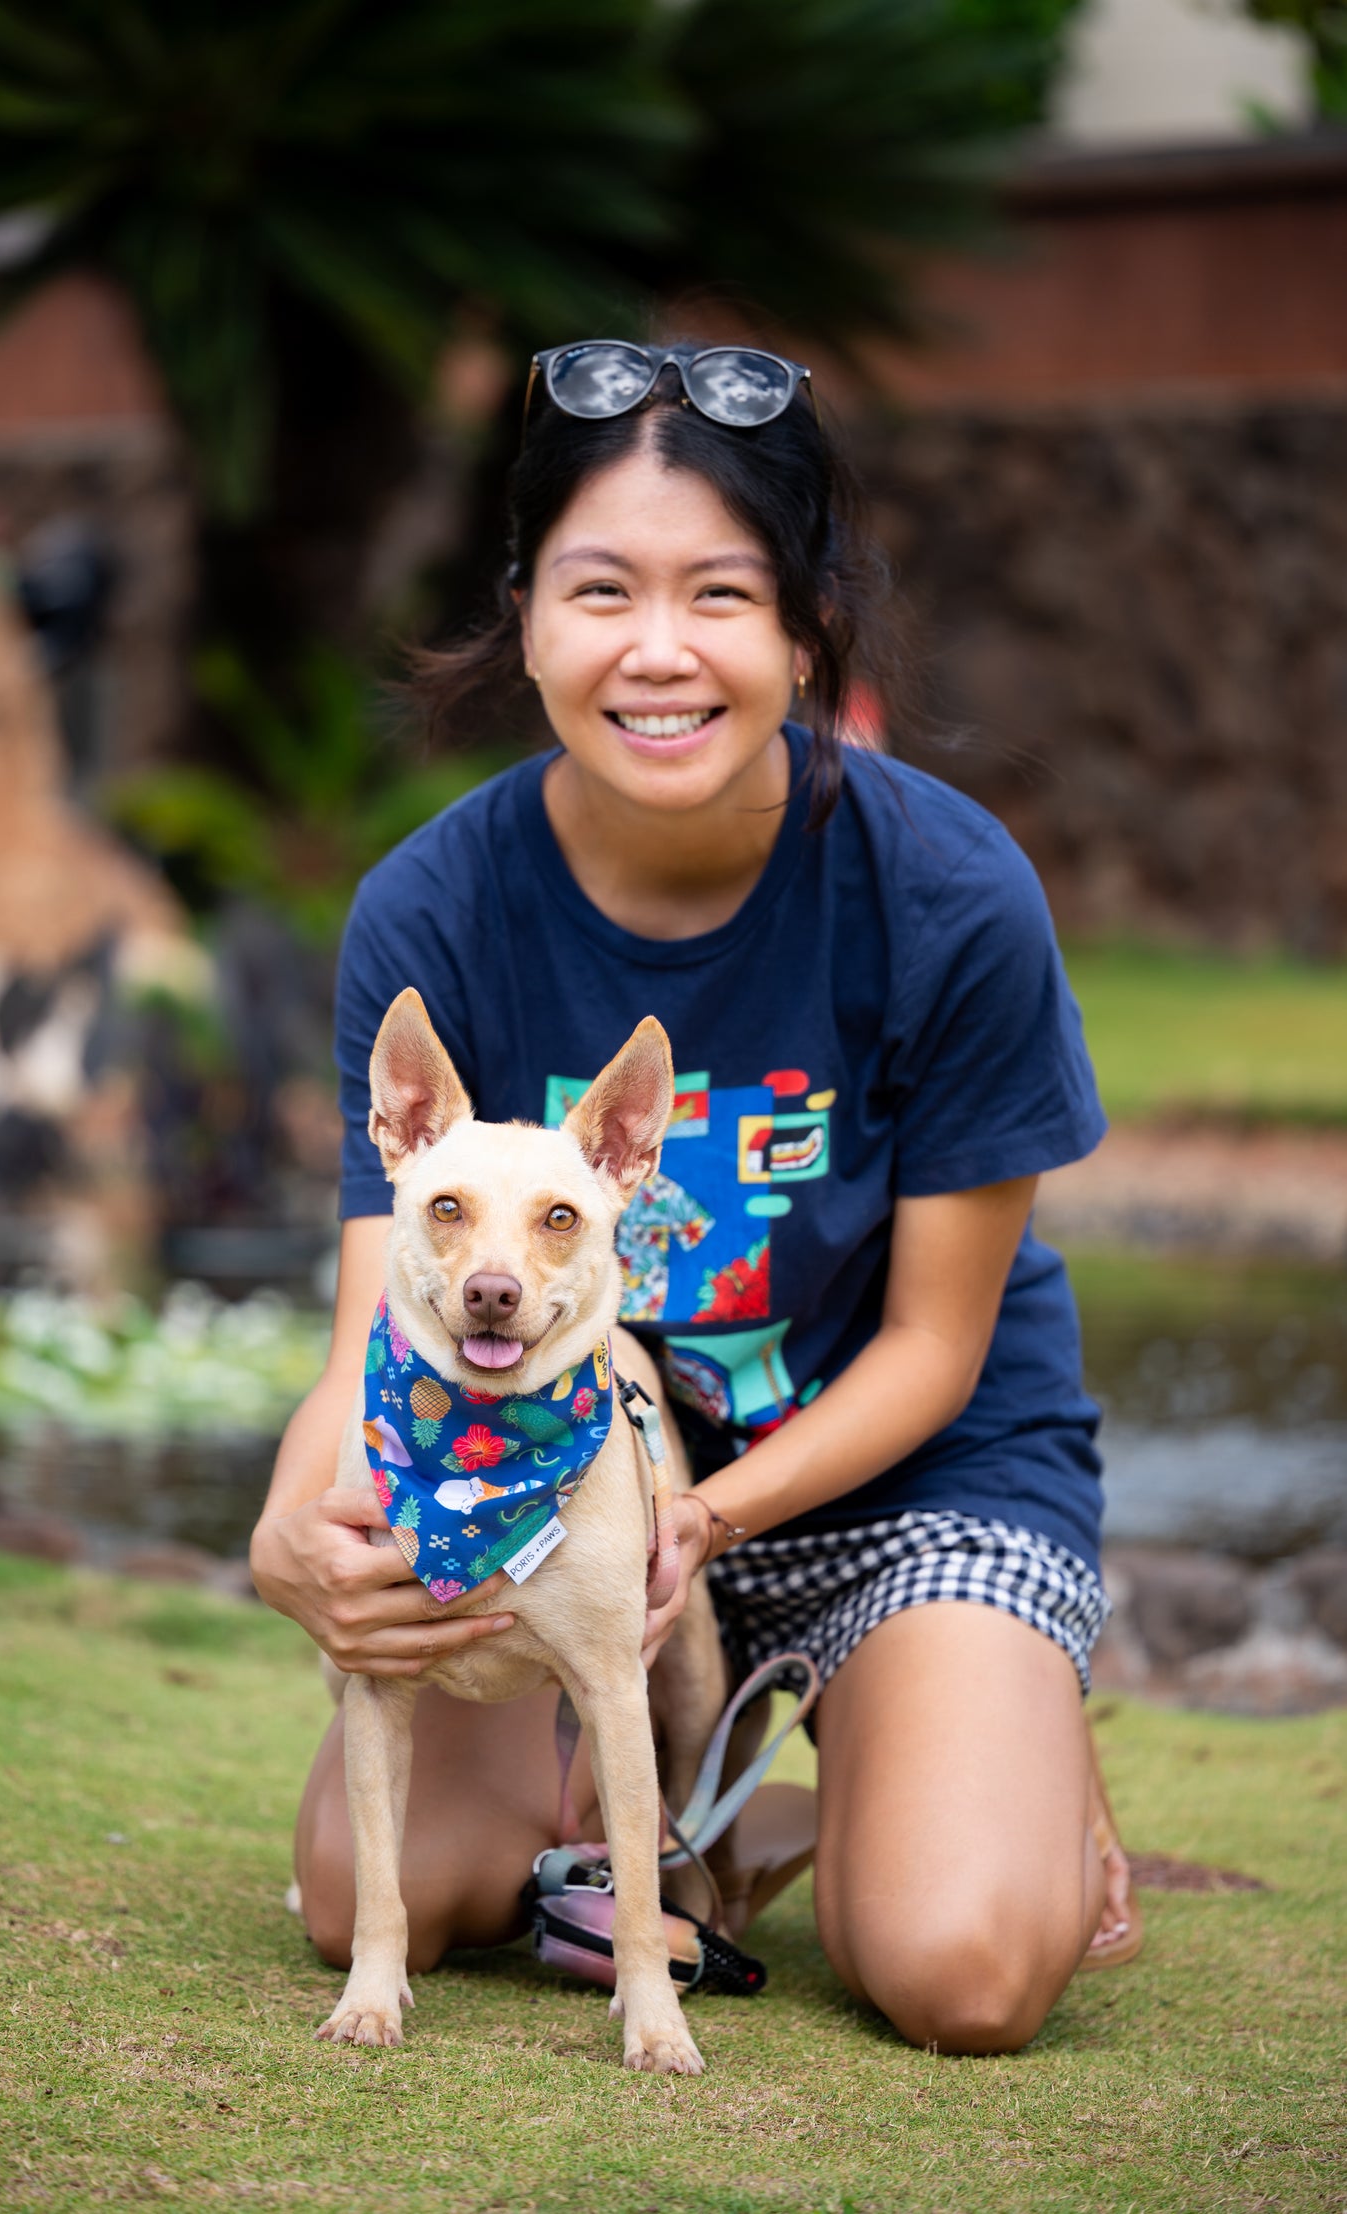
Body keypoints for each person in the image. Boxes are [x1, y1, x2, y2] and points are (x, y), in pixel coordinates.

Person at [250, 339, 1137, 2056]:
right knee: (382, 1897)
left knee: (963, 1967)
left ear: (808, 621)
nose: (657, 651)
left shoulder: (947, 895)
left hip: (906, 1467)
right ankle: (740, 1816)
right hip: (548, 1472)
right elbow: (381, 1322)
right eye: (600, 588)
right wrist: (298, 1532)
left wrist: (701, 1524)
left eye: (718, 592)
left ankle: (980, 1746)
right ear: (525, 614)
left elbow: (940, 1348)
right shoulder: (434, 911)